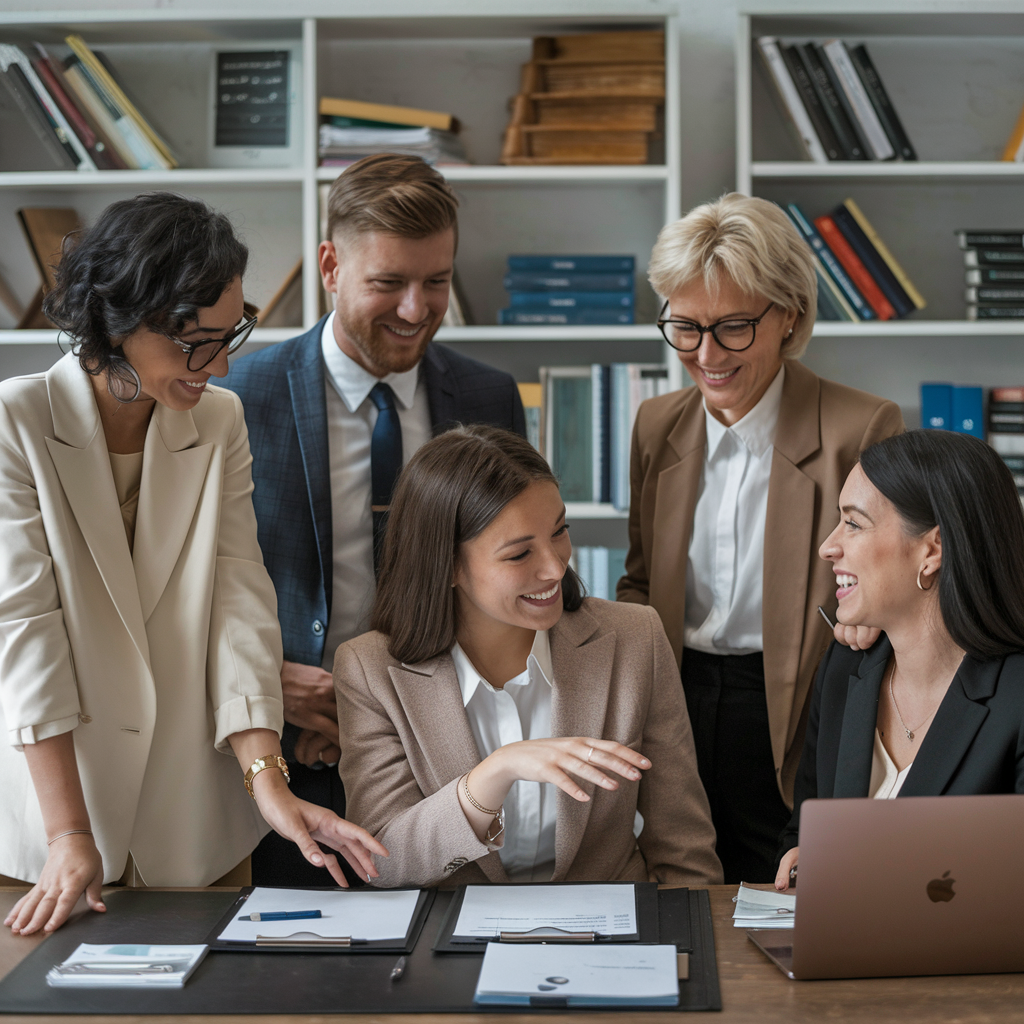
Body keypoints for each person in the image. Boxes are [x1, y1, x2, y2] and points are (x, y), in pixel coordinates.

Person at [0, 192, 385, 936]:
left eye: (230, 333)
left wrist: (267, 787)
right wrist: (68, 835)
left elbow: (240, 606)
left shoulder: (219, 420)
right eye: (196, 340)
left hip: (195, 824)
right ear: (117, 320)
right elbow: (25, 634)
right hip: (50, 831)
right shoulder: (16, 422)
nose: (222, 362)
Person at [223, 155, 525, 885]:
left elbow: (510, 573)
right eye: (388, 283)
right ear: (330, 264)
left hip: (450, 764)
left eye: (437, 282)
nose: (417, 310)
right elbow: (193, 584)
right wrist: (266, 682)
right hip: (289, 767)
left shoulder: (491, 398)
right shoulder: (234, 397)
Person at [617, 193, 904, 884]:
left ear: (791, 317)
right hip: (674, 697)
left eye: (734, 327)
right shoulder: (657, 424)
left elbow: (889, 593)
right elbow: (640, 580)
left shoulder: (860, 429)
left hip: (797, 703)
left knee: (778, 903)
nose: (706, 354)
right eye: (684, 327)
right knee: (675, 888)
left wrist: (867, 617)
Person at [334, 424, 723, 888]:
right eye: (519, 555)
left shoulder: (636, 638)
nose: (556, 567)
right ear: (448, 566)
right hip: (448, 947)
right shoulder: (370, 669)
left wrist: (689, 947)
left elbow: (684, 849)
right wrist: (498, 772)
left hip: (611, 936)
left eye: (559, 531)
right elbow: (383, 862)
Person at [776, 429, 1024, 890]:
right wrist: (800, 858)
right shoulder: (845, 667)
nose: (828, 546)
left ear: (932, 550)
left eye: (853, 523)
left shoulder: (1016, 697)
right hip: (838, 951)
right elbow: (804, 830)